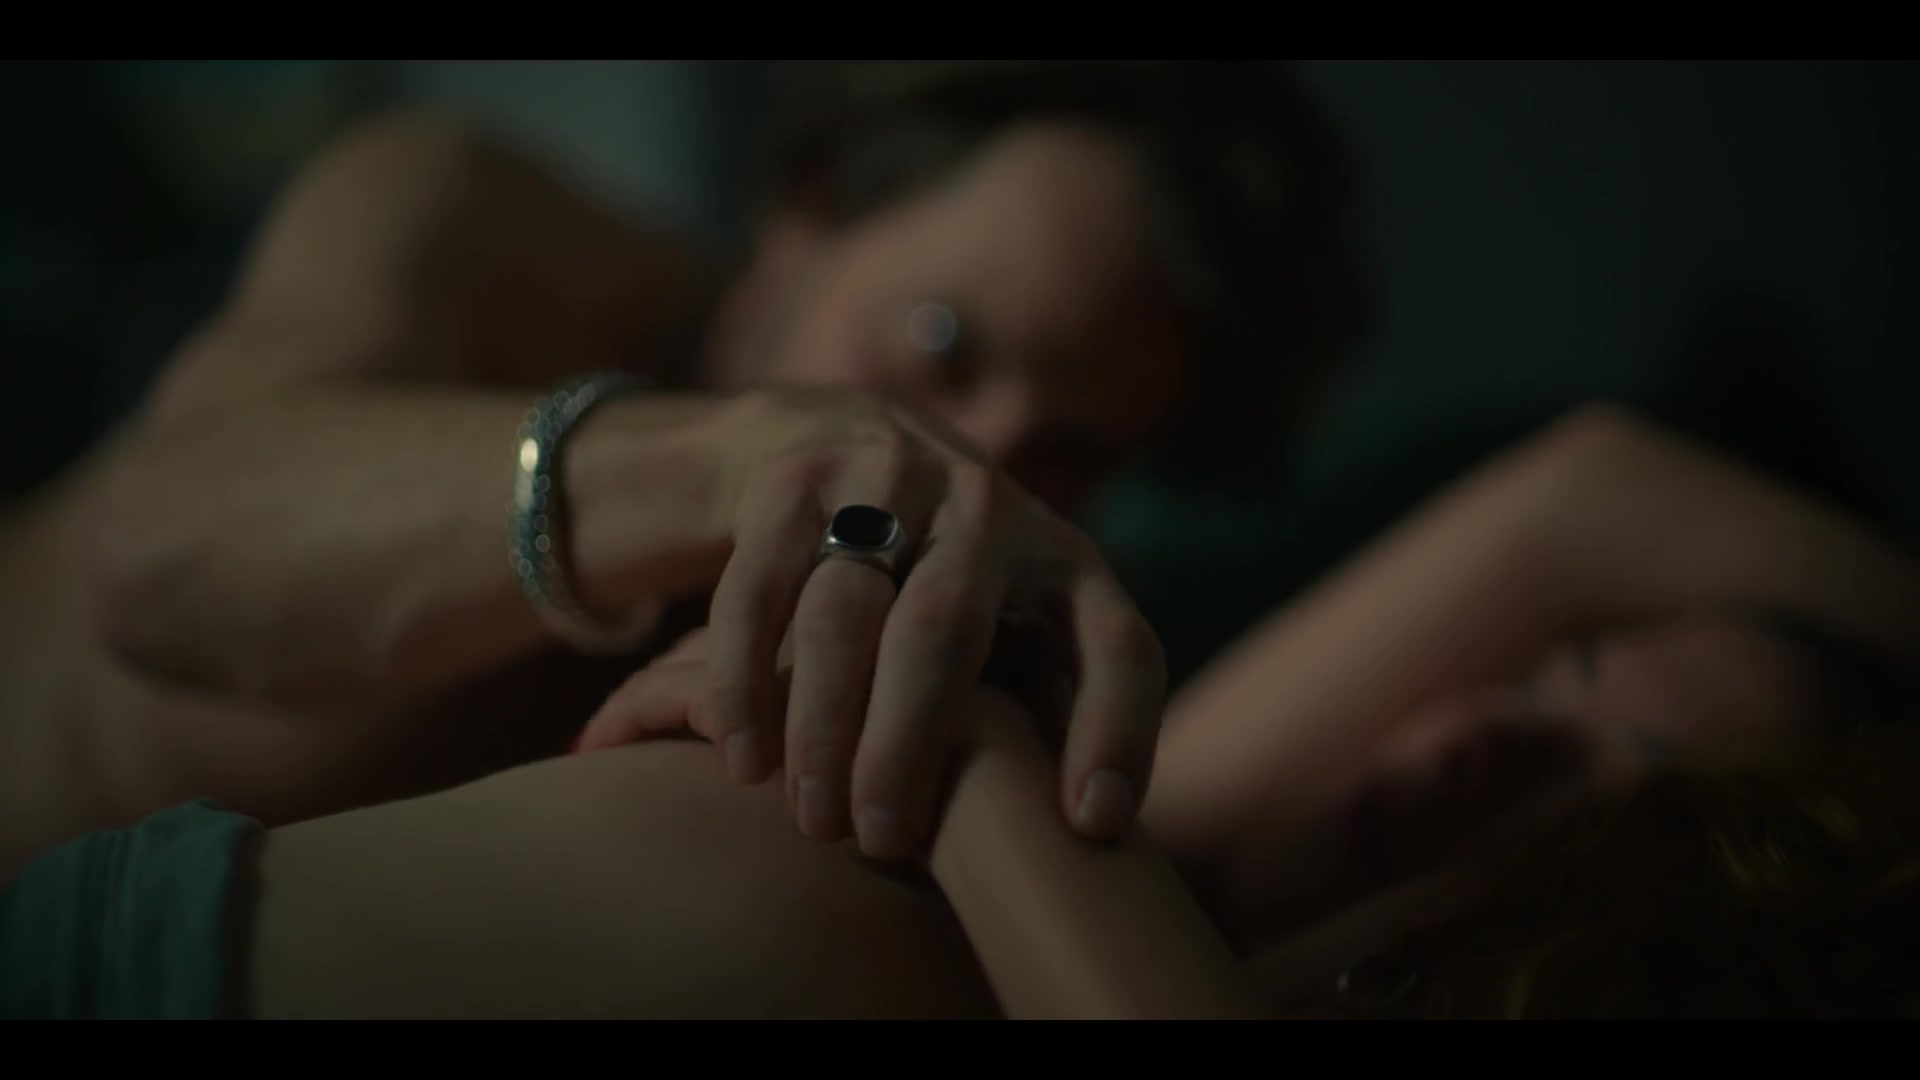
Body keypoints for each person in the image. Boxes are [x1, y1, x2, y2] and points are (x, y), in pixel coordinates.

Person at [9, 404, 1917, 1018]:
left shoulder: (1060, 845)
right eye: (1550, 675)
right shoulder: (1156, 819)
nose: (1499, 731)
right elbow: (1592, 495)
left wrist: (980, 747)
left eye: (1621, 780)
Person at [0, 63, 1374, 879]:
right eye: (944, 347)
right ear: (809, 209)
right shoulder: (460, 225)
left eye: (1069, 452)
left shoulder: (977, 628)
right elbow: (159, 550)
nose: (979, 462)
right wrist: (740, 460)